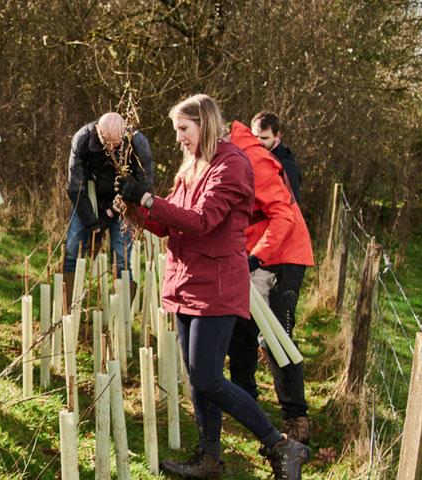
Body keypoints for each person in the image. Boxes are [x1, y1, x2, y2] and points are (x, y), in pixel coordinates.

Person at [118, 94, 310, 479]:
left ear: (203, 123)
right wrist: (133, 204)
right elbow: (169, 222)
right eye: (176, 131)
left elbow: (201, 221)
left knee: (207, 376)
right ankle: (209, 457)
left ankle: (281, 445)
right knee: (197, 377)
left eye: (183, 129)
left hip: (217, 285)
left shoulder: (232, 166)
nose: (178, 139)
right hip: (187, 279)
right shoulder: (193, 165)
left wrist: (148, 198)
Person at [226, 120, 317, 444]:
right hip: (253, 252)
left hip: (284, 253)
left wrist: (256, 257)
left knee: (277, 335)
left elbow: (283, 215)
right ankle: (245, 403)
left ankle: (296, 417)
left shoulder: (253, 159)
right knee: (242, 327)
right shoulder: (223, 156)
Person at [64, 112, 153, 309]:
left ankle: (123, 316)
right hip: (88, 197)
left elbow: (143, 186)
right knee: (72, 248)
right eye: (108, 144)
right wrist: (93, 223)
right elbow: (74, 187)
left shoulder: (138, 143)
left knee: (121, 256)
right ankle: (67, 305)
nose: (112, 148)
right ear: (99, 132)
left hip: (125, 201)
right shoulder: (83, 139)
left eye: (117, 144)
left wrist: (112, 212)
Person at [251, 111, 301, 206]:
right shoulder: (246, 156)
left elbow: (292, 205)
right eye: (255, 136)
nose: (259, 141)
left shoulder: (286, 165)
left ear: (277, 136)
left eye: (264, 138)